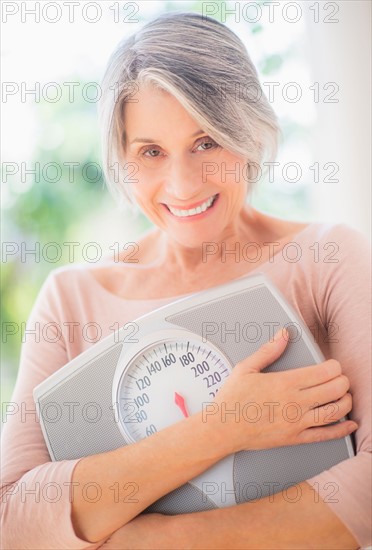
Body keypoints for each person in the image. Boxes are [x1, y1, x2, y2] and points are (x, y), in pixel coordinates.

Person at [1, 12, 370, 550]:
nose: (183, 183)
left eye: (206, 142)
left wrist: (150, 542)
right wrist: (222, 428)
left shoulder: (327, 259)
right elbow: (13, 517)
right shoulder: (71, 298)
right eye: (151, 152)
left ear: (244, 131)